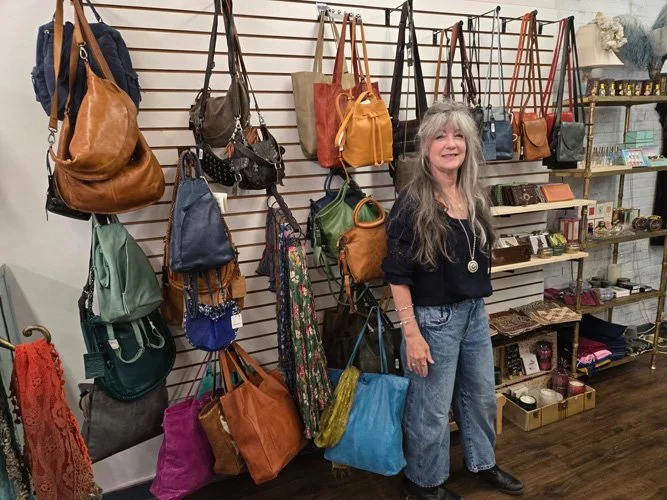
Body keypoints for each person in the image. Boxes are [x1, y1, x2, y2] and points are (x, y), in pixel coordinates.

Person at [382, 100, 524, 500]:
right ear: (426, 147)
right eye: (441, 136)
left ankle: (482, 463)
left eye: (459, 135)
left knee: (480, 396)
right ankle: (424, 483)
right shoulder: (412, 202)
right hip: (432, 320)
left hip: (473, 313)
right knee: (430, 407)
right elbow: (396, 273)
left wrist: (475, 304)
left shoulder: (473, 196)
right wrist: (411, 333)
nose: (450, 144)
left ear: (470, 144)